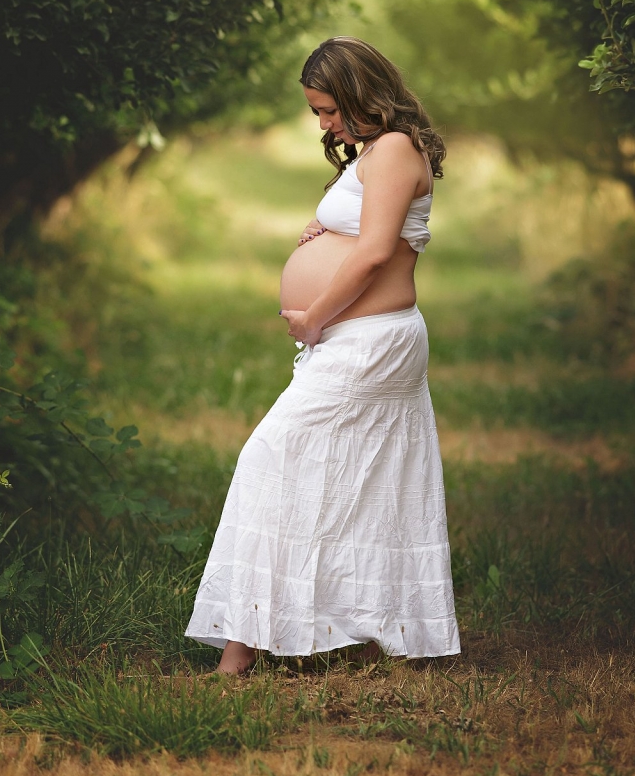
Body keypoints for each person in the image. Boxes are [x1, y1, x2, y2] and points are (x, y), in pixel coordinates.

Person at [185, 36, 460, 673]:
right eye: (316, 112)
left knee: (273, 455)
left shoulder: (392, 149)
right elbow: (364, 233)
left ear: (363, 93)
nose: (324, 123)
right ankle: (368, 629)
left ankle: (239, 655)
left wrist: (315, 316)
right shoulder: (377, 150)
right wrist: (323, 230)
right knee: (364, 478)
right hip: (360, 337)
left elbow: (372, 256)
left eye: (328, 109)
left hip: (369, 340)